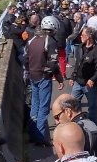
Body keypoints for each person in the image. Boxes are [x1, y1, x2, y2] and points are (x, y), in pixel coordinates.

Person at [24, 15, 66, 144]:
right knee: (43, 108)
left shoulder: (32, 40)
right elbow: (53, 63)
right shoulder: (51, 41)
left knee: (34, 107)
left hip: (32, 76)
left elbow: (25, 59)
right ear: (54, 28)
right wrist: (59, 78)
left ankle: (32, 134)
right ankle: (41, 137)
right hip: (44, 76)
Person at [69, 27, 97, 125]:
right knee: (72, 105)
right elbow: (78, 63)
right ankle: (73, 125)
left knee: (92, 107)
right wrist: (73, 77)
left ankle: (93, 127)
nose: (81, 36)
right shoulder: (81, 47)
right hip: (78, 82)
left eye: (83, 34)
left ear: (88, 37)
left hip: (89, 85)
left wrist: (93, 79)